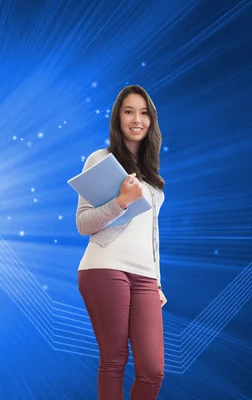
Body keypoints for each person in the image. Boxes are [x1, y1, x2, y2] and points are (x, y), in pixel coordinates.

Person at [76, 85, 167, 400]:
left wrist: (156, 281)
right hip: (104, 267)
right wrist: (122, 202)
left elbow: (152, 235)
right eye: (129, 111)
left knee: (153, 369)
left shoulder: (154, 178)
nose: (136, 119)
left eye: (144, 113)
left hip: (145, 277)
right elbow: (83, 224)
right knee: (114, 360)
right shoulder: (100, 159)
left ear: (151, 121)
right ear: (118, 118)